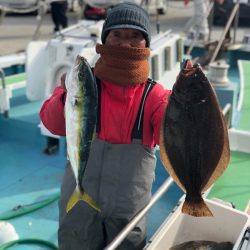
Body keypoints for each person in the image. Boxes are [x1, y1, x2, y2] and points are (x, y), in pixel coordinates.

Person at [40, 2, 189, 249]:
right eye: (116, 35)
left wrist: (185, 106)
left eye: (134, 36)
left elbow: (175, 140)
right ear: (105, 40)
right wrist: (66, 96)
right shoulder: (84, 83)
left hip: (127, 209)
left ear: (146, 43)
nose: (125, 43)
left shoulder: (155, 96)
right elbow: (52, 123)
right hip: (78, 205)